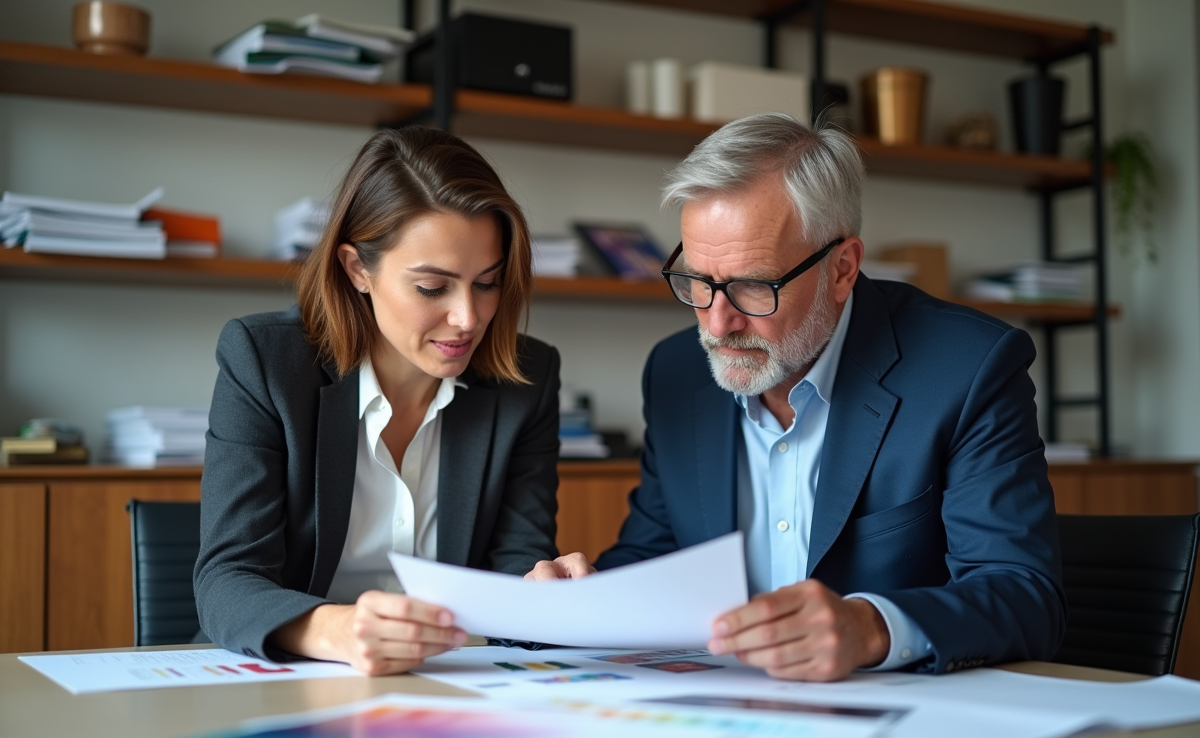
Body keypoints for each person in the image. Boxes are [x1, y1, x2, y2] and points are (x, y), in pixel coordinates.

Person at [528, 113, 1065, 681]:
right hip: (723, 722)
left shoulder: (969, 368)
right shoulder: (676, 372)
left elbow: (1024, 596)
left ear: (842, 269)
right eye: (697, 281)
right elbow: (658, 556)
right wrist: (581, 600)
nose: (717, 322)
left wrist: (870, 627)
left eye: (753, 284)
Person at [196, 127, 561, 675]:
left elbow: (516, 560)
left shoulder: (527, 380)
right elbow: (227, 580)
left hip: (450, 684)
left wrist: (544, 592)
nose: (468, 318)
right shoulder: (265, 363)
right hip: (285, 677)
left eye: (487, 283)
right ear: (357, 269)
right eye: (433, 288)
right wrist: (335, 628)